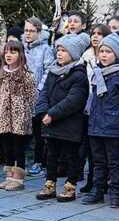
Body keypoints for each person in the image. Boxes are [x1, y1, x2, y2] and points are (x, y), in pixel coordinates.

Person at [35, 33, 90, 202]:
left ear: (73, 54)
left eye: (64, 51)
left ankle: (70, 185)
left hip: (69, 124)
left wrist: (52, 114)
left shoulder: (79, 74)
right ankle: (49, 183)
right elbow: (43, 92)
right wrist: (43, 111)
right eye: (58, 49)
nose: (59, 53)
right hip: (50, 122)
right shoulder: (53, 70)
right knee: (50, 154)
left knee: (70, 156)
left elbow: (74, 100)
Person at [84, 33, 119, 207]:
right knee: (98, 161)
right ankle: (98, 190)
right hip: (96, 123)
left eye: (108, 52)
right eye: (101, 51)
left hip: (113, 125)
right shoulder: (97, 73)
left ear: (116, 54)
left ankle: (115, 193)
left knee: (114, 161)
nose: (104, 55)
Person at [0, 37, 37, 192]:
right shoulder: (1, 74)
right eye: (6, 52)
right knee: (7, 146)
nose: (9, 55)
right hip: (3, 115)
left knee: (18, 146)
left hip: (20, 116)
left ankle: (18, 177)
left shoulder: (26, 75)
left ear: (20, 54)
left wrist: (25, 111)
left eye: (13, 52)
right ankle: (9, 175)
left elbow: (32, 96)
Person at [23, 17, 54, 176]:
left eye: (32, 31)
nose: (28, 34)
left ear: (39, 32)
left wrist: (40, 89)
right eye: (26, 30)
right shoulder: (22, 47)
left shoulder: (45, 49)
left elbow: (48, 70)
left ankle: (39, 161)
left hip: (38, 95)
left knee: (38, 131)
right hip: (22, 94)